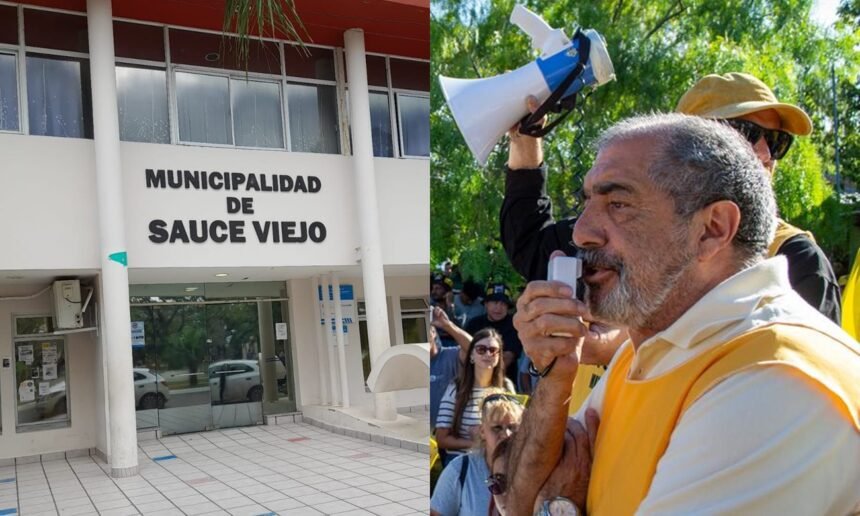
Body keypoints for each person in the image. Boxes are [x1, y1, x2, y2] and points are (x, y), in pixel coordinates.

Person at [501, 114, 860, 515]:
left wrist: (559, 508)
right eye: (589, 202)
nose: (581, 232)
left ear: (712, 229)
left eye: (618, 204)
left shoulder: (773, 380)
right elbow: (515, 503)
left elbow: (534, 506)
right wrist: (556, 374)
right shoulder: (649, 350)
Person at [501, 72, 841, 324]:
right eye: (746, 133)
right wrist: (525, 139)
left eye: (777, 141)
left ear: (717, 229)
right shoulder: (617, 231)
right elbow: (531, 244)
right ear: (680, 140)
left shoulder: (794, 256)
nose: (765, 153)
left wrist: (623, 349)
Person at [430, 389, 524, 516]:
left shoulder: (532, 470)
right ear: (482, 432)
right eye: (497, 428)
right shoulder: (459, 469)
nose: (506, 435)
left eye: (512, 427)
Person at [435, 328, 515, 466]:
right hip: (461, 462)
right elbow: (441, 439)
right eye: (481, 349)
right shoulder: (456, 387)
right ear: (471, 355)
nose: (488, 354)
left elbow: (515, 428)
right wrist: (478, 444)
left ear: (499, 356)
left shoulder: (506, 387)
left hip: (497, 461)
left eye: (493, 350)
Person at [465, 283, 523, 386]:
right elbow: (464, 352)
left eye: (503, 304)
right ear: (486, 304)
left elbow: (508, 357)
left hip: (503, 383)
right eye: (495, 302)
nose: (499, 308)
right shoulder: (474, 324)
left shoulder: (514, 325)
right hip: (473, 381)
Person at [430, 306, 473, 428]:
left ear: (433, 332)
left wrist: (447, 325)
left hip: (448, 438)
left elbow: (475, 350)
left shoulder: (450, 355)